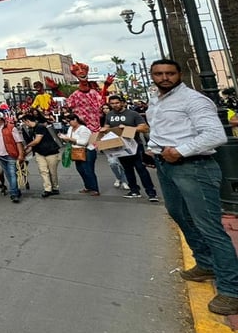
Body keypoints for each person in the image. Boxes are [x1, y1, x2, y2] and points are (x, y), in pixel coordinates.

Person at [145, 59, 238, 316]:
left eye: (169, 73)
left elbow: (215, 135)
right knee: (180, 214)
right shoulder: (157, 99)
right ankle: (206, 263)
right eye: (159, 73)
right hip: (167, 166)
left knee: (209, 226)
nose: (164, 77)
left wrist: (180, 151)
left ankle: (232, 290)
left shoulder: (194, 100)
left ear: (179, 74)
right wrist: (154, 148)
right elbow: (161, 129)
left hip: (194, 167)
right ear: (152, 75)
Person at [100, 94, 158, 202]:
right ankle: (134, 190)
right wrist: (104, 129)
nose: (115, 105)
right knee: (127, 169)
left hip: (135, 145)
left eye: (117, 103)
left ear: (122, 102)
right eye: (112, 104)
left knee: (141, 169)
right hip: (120, 146)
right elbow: (107, 126)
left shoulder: (132, 114)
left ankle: (151, 193)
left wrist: (128, 128)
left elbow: (144, 128)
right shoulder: (109, 115)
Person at [20, 112, 61, 198]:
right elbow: (34, 145)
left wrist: (26, 146)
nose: (25, 125)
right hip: (40, 153)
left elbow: (37, 141)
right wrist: (24, 153)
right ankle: (47, 189)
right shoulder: (32, 130)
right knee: (43, 171)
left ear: (27, 121)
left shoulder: (40, 127)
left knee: (52, 172)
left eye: (24, 122)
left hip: (51, 152)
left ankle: (55, 188)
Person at [0, 111, 25, 203]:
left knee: (12, 174)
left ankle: (14, 194)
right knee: (8, 174)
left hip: (11, 154)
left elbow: (18, 142)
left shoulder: (11, 128)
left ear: (0, 119)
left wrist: (20, 155)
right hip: (0, 155)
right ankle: (16, 190)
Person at [64, 113, 99, 195]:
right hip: (77, 151)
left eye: (69, 121)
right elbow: (69, 138)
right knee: (81, 170)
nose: (69, 123)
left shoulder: (83, 129)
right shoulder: (70, 128)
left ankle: (95, 189)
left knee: (88, 170)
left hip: (87, 151)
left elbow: (84, 142)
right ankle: (88, 186)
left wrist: (69, 139)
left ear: (75, 120)